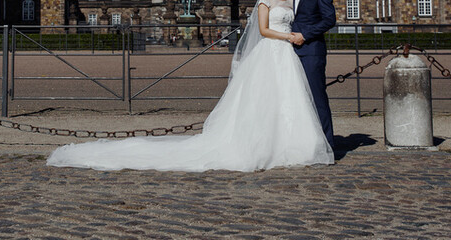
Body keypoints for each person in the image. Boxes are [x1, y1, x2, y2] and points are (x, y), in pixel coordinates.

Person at [46, 0, 334, 172]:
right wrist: (288, 38)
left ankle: (301, 145)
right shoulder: (266, 1)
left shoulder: (288, 2)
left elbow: (320, 18)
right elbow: (263, 29)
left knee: (293, 99)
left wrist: (296, 36)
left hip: (290, 53)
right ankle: (269, 145)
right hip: (278, 49)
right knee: (265, 100)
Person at [290, 0, 337, 149]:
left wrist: (305, 35)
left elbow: (329, 19)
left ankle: (326, 146)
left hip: (311, 51)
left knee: (317, 98)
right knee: (292, 99)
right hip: (286, 52)